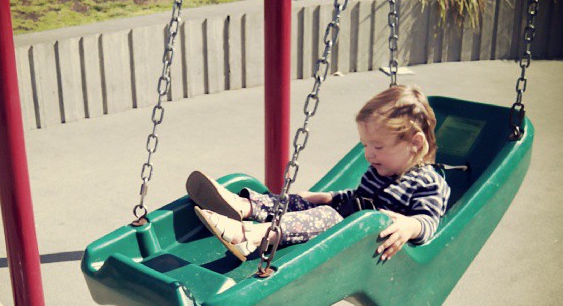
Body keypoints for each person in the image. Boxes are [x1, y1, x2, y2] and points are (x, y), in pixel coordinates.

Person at [187, 85, 450, 262]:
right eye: (365, 146)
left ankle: (253, 236)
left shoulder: (428, 183)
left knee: (324, 217)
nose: (368, 155)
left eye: (377, 146)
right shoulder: (381, 170)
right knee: (301, 201)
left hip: (361, 240)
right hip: (347, 219)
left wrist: (409, 226)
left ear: (415, 144)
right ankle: (243, 206)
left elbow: (429, 222)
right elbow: (358, 197)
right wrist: (326, 196)